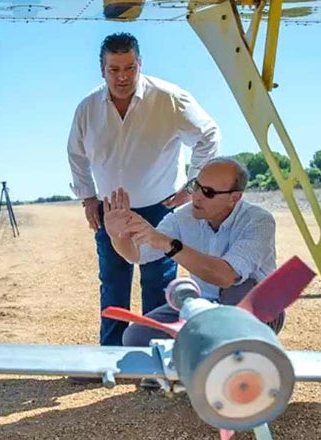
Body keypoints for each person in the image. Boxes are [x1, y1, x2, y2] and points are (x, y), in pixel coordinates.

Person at [67, 32, 220, 348]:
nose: (122, 77)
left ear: (140, 65)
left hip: (160, 209)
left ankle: (156, 357)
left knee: (159, 283)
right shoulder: (87, 108)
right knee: (113, 283)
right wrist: (87, 199)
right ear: (102, 70)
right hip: (112, 212)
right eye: (114, 69)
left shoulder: (169, 99)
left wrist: (191, 187)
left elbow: (209, 136)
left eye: (129, 68)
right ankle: (111, 356)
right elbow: (76, 154)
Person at [103, 157, 284, 351]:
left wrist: (168, 243)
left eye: (208, 192)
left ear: (235, 198)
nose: (197, 196)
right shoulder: (183, 216)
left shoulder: (258, 222)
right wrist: (117, 236)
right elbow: (138, 255)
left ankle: (236, 358)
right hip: (204, 307)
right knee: (136, 337)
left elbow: (225, 276)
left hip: (260, 310)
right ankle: (180, 369)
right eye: (196, 186)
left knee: (238, 291)